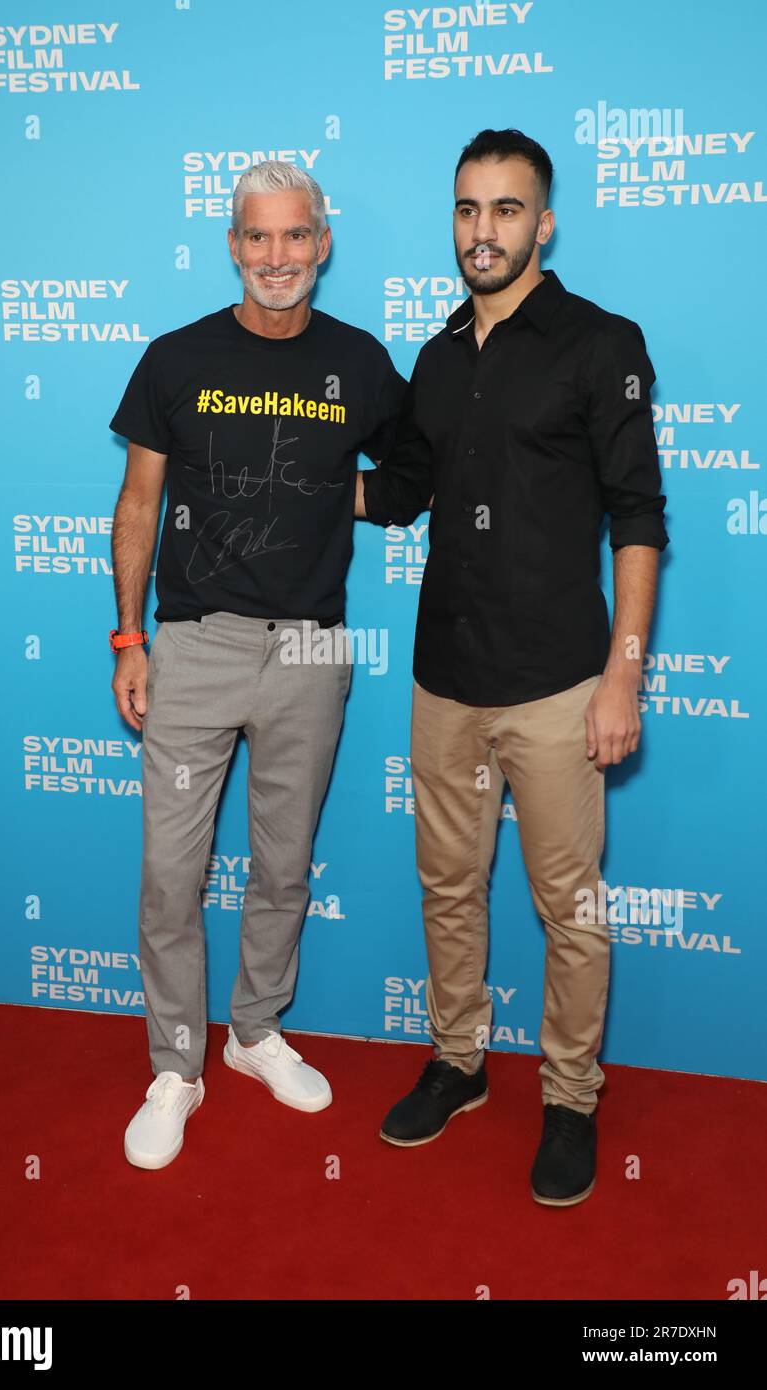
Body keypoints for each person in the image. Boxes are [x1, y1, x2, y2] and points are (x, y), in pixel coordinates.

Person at [356, 128, 669, 1206]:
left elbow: (637, 518)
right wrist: (274, 477)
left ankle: (571, 1097)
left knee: (568, 907)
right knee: (448, 885)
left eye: (503, 209)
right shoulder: (438, 356)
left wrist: (623, 673)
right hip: (442, 674)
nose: (480, 230)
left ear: (543, 222)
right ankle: (458, 1059)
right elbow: (393, 492)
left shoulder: (599, 343)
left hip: (556, 683)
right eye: (464, 209)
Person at [109, 160, 405, 1170]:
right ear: (232, 246)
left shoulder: (360, 363)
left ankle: (254, 1035)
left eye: (294, 236)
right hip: (192, 644)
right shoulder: (174, 357)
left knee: (281, 865)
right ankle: (176, 1066)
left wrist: (337, 498)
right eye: (257, 237)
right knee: (169, 875)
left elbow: (408, 479)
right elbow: (138, 505)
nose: (276, 257)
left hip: (313, 648)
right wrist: (129, 636)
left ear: (321, 244)